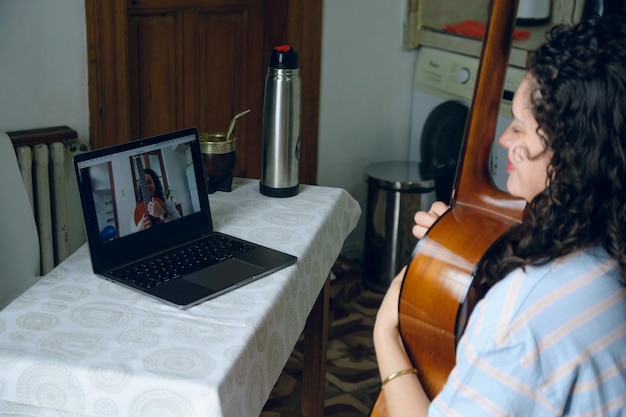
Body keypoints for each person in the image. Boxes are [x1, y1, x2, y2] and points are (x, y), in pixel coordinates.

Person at [374, 15, 626, 417]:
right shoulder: (610, 245)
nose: (505, 139)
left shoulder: (518, 319)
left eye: (521, 130)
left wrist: (386, 336)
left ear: (571, 158)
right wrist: (470, 245)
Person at [131, 168, 181, 232]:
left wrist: (162, 214)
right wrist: (139, 230)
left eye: (149, 182)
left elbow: (180, 228)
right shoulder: (137, 213)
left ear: (155, 184)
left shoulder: (167, 204)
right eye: (144, 185)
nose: (147, 187)